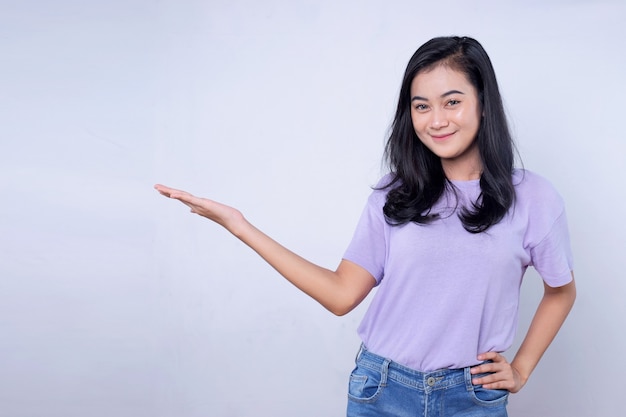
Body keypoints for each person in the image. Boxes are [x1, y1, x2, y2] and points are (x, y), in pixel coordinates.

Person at [155, 36, 576, 417]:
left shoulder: (534, 198)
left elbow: (561, 291)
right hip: (383, 391)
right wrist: (240, 225)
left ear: (483, 103)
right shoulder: (395, 194)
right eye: (421, 105)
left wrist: (521, 369)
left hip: (473, 397)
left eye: (452, 102)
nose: (436, 120)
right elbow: (341, 295)